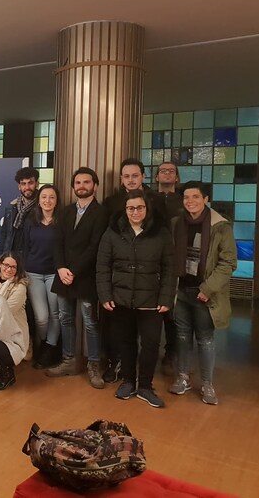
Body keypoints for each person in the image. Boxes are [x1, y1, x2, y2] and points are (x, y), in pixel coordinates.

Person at [96, 190, 176, 408]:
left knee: (150, 344)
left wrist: (166, 298)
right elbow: (102, 266)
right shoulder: (113, 232)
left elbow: (170, 268)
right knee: (126, 342)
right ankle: (128, 382)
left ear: (147, 209)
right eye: (131, 208)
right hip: (121, 299)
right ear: (125, 210)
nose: (135, 212)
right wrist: (105, 295)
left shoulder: (161, 233)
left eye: (140, 207)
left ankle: (146, 386)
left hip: (152, 300)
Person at [169, 181, 236, 406]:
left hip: (205, 292)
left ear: (206, 199)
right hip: (181, 290)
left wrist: (207, 289)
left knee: (205, 339)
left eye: (195, 197)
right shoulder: (177, 223)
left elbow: (228, 263)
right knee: (181, 336)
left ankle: (207, 384)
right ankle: (183, 377)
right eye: (186, 197)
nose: (190, 201)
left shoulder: (220, 226)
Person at [101, 158, 167, 383]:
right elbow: (106, 247)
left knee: (150, 339)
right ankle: (119, 368)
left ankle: (146, 382)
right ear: (121, 179)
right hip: (121, 283)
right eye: (126, 176)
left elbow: (165, 248)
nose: (130, 180)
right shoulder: (111, 203)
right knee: (120, 334)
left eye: (135, 175)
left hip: (149, 284)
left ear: (143, 177)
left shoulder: (157, 201)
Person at [49, 168, 108, 385]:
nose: (81, 186)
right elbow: (57, 242)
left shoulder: (101, 213)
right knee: (65, 318)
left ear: (95, 186)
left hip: (86, 276)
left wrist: (73, 271)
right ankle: (69, 360)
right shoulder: (65, 211)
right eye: (78, 182)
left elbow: (95, 246)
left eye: (86, 182)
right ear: (73, 186)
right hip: (63, 274)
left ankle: (93, 365)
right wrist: (60, 268)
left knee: (90, 322)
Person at [23, 184, 63, 370]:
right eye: (44, 197)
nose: (48, 201)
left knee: (56, 314)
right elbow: (25, 247)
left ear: (57, 200)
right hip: (34, 273)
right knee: (41, 317)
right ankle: (44, 344)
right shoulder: (30, 221)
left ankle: (50, 349)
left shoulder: (62, 221)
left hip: (55, 273)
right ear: (38, 201)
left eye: (52, 197)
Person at [155, 162, 183, 376]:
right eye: (162, 171)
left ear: (177, 178)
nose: (166, 174)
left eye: (170, 171)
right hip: (151, 259)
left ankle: (172, 352)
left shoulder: (183, 200)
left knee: (172, 311)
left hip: (175, 260)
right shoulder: (148, 199)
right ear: (156, 177)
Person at [0, 251, 29, 358]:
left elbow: (4, 312)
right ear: (0, 265)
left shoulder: (20, 287)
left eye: (13, 267)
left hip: (12, 334)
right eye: (6, 265)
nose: (9, 269)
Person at [0, 166, 39, 254]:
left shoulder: (41, 207)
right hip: (12, 256)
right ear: (19, 186)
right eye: (23, 184)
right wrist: (1, 257)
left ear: (37, 184)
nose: (27, 187)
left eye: (30, 183)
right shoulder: (12, 207)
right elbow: (4, 234)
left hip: (32, 257)